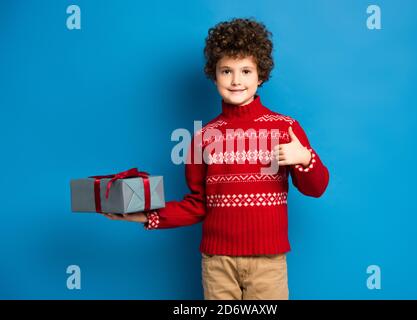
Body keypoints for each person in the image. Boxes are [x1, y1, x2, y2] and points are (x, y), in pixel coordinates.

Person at [103, 17, 329, 300]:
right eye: (226, 71)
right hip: (217, 263)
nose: (236, 80)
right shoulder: (203, 137)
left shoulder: (284, 128)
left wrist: (304, 158)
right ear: (214, 76)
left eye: (246, 71)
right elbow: (198, 204)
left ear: (260, 76)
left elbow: (316, 188)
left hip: (268, 263)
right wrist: (149, 216)